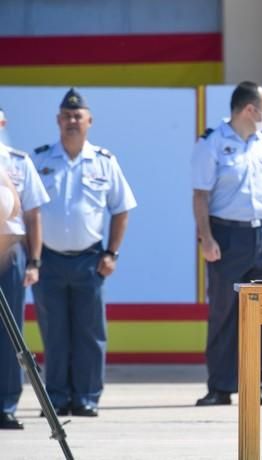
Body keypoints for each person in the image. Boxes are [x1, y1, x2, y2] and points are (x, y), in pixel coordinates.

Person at [31, 88, 137, 417]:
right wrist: (31, 257)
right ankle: (58, 398)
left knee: (90, 333)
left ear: (89, 121)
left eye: (78, 116)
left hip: (90, 260)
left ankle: (87, 397)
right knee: (55, 333)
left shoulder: (104, 161)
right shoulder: (40, 160)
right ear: (57, 121)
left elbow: (122, 209)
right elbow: (28, 210)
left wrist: (112, 253)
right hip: (48, 260)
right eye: (66, 116)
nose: (72, 121)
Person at [191, 81, 262, 407]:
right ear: (250, 110)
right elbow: (200, 195)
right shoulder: (212, 143)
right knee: (224, 313)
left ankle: (257, 385)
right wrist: (206, 238)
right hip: (227, 236)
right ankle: (220, 386)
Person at [0, 107, 50, 430]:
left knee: (10, 333)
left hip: (10, 249)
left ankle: (5, 404)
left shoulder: (18, 161)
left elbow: (32, 215)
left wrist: (34, 260)